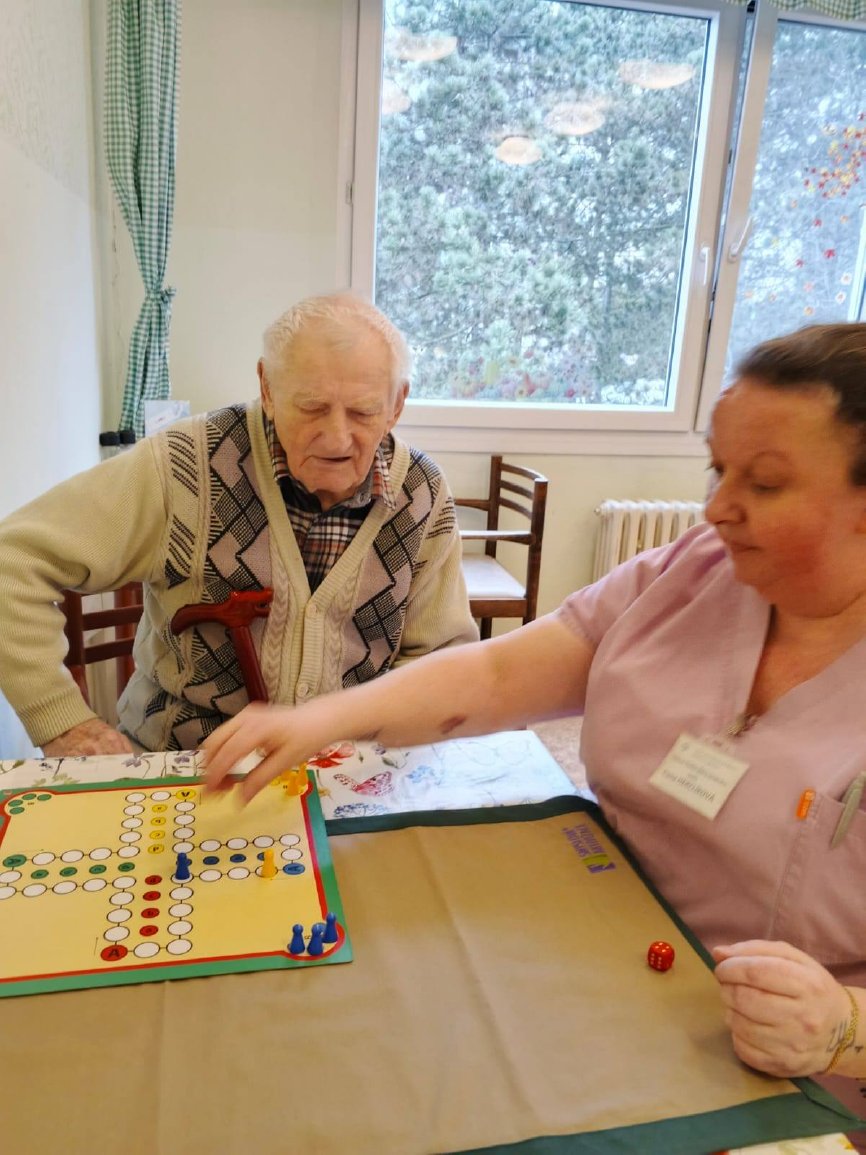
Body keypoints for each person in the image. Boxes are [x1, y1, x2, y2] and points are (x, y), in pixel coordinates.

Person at [202, 321, 866, 1129]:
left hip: (771, 1060)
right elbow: (497, 673)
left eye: (764, 484)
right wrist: (326, 716)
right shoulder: (690, 571)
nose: (717, 508)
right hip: (598, 953)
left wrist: (844, 1025)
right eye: (719, 470)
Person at [0, 292, 478, 757]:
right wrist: (62, 722)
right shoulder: (183, 466)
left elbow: (440, 663)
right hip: (181, 763)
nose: (337, 437)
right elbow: (13, 562)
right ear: (267, 388)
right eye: (311, 407)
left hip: (349, 770)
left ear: (396, 405)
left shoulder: (422, 492)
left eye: (364, 412)